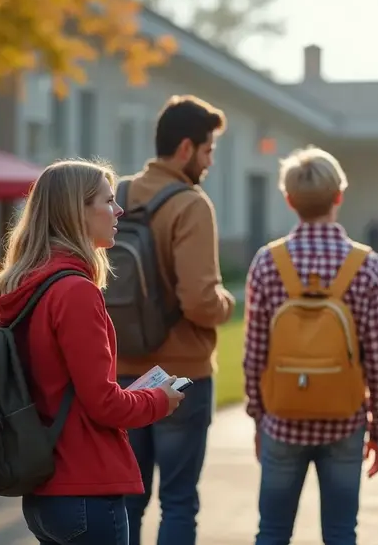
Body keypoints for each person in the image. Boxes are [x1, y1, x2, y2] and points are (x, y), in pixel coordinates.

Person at [0, 160, 186, 545]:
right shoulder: (75, 292)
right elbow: (104, 404)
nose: (119, 211)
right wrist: (159, 400)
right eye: (108, 201)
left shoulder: (19, 287)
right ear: (77, 211)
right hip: (84, 486)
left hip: (43, 490)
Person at [243, 146, 378, 545]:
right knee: (342, 533)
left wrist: (258, 416)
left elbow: (254, 352)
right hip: (344, 421)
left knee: (272, 531)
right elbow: (377, 357)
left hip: (283, 419)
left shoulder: (267, 261)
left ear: (289, 200)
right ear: (339, 196)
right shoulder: (366, 264)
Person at [115, 95, 236, 545]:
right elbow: (201, 302)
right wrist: (227, 304)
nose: (208, 162)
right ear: (186, 148)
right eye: (208, 151)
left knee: (127, 500)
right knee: (179, 501)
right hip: (179, 377)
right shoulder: (191, 204)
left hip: (122, 372)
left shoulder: (118, 194)